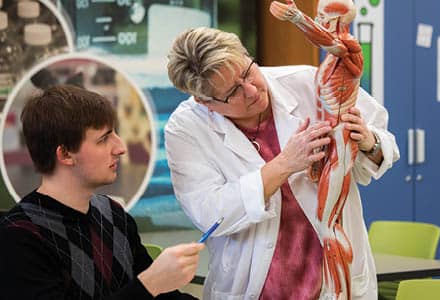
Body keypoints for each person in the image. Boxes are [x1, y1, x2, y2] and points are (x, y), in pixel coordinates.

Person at [165, 27, 400, 299]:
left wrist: (369, 141)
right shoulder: (185, 130)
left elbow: (384, 147)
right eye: (233, 92)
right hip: (254, 287)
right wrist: (284, 164)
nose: (252, 90)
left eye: (247, 72)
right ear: (205, 103)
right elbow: (210, 214)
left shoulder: (308, 82)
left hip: (333, 279)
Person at [0, 85, 204, 300]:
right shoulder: (18, 237)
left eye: (115, 132)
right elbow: (148, 288)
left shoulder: (114, 214)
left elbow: (162, 297)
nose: (120, 147)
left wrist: (154, 284)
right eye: (103, 139)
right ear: (66, 154)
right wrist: (150, 283)